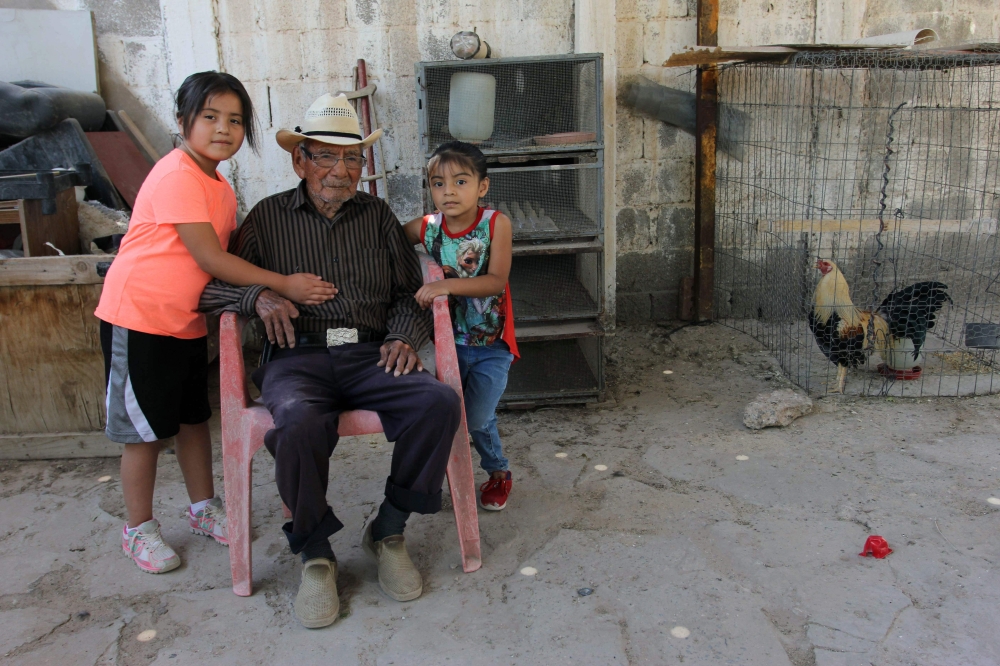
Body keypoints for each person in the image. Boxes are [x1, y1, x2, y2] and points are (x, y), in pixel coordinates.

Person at [199, 93, 461, 629]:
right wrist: (258, 298)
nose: (342, 172)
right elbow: (211, 290)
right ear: (300, 161)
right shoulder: (269, 218)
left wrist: (406, 337)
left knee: (437, 403)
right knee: (295, 424)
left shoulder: (378, 215)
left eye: (353, 160)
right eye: (326, 157)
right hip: (298, 359)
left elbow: (410, 291)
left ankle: (387, 529)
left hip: (370, 353)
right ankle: (315, 554)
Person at [95, 71, 336, 575]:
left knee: (190, 420)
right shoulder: (177, 174)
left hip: (183, 322)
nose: (223, 128)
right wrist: (284, 284)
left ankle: (203, 507)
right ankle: (137, 529)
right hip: (138, 317)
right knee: (143, 432)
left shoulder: (219, 185)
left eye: (235, 120)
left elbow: (231, 252)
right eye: (209, 117)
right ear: (182, 121)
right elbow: (211, 258)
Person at [403, 141, 520, 511]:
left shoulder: (495, 224)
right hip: (448, 344)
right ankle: (449, 475)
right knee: (450, 415)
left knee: (479, 417)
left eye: (460, 181)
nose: (448, 191)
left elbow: (495, 281)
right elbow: (388, 239)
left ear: (482, 187)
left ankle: (498, 471)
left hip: (492, 346)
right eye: (438, 183)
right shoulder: (428, 227)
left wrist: (444, 283)